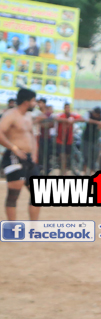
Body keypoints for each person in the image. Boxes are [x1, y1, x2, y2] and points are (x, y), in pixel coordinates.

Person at [0, 88, 43, 220]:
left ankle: (33, 227)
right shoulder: (11, 115)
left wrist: (34, 154)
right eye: (33, 101)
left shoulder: (28, 116)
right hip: (14, 157)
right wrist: (14, 148)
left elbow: (31, 135)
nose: (35, 103)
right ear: (26, 102)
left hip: (29, 158)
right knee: (13, 195)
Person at [55, 103, 82, 175]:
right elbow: (56, 118)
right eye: (66, 107)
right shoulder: (61, 115)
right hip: (60, 140)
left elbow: (82, 118)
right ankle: (63, 173)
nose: (67, 109)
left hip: (69, 141)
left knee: (67, 157)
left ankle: (63, 171)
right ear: (64, 108)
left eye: (68, 107)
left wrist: (74, 120)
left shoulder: (72, 116)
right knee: (62, 157)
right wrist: (66, 120)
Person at [83, 106, 101, 173]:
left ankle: (91, 172)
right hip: (86, 138)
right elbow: (86, 119)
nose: (97, 116)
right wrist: (97, 122)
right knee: (86, 155)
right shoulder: (88, 113)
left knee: (94, 156)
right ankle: (85, 172)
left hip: (95, 139)